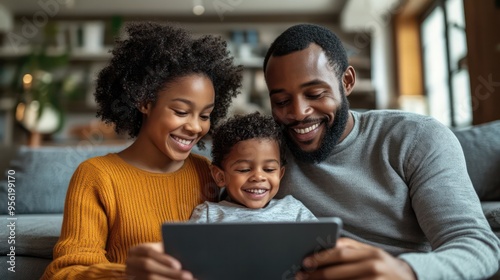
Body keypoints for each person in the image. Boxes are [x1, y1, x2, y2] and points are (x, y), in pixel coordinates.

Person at [263, 23, 500, 279]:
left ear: (347, 81)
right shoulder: (263, 153)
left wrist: (407, 271)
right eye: (282, 101)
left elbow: (477, 245)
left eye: (315, 93)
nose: (298, 112)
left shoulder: (415, 137)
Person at [41, 22, 242, 280]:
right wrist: (127, 275)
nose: (195, 127)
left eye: (205, 115)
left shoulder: (207, 172)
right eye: (181, 111)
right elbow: (63, 273)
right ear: (145, 102)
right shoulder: (97, 177)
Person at [189, 112, 317, 222]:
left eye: (269, 169)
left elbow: (326, 247)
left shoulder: (294, 210)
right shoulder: (208, 215)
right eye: (244, 169)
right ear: (220, 177)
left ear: (280, 174)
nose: (258, 177)